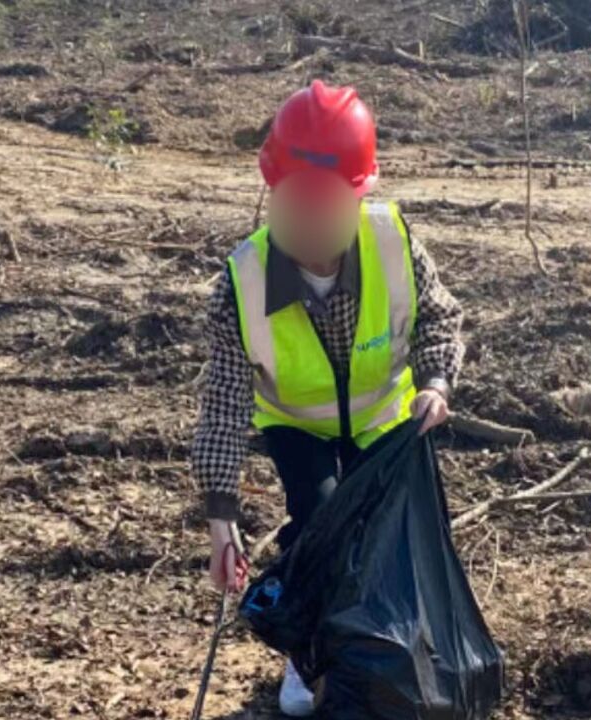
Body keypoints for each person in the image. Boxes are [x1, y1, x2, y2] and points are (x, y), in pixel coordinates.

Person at [191, 79, 465, 717]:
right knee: (319, 525)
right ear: (271, 190)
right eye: (297, 205)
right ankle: (310, 654)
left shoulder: (393, 243)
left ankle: (399, 648)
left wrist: (436, 382)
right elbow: (226, 407)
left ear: (359, 194)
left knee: (390, 540)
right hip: (298, 425)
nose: (312, 225)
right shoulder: (243, 283)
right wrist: (220, 517)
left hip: (386, 418)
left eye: (327, 206)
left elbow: (440, 320)